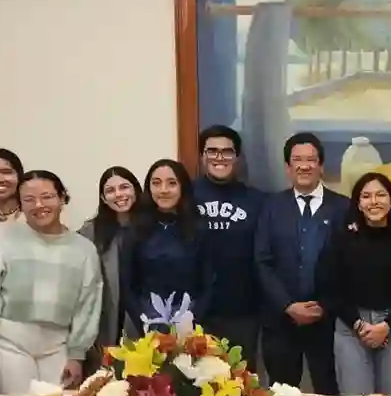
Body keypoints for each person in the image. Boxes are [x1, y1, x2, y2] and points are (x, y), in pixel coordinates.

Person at [0, 170, 101, 394]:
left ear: (62, 198)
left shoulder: (84, 249)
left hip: (59, 344)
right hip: (9, 343)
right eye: (29, 200)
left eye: (47, 197)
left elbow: (88, 304)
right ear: (20, 205)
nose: (39, 205)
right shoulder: (1, 242)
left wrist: (77, 354)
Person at [254, 132, 347, 395]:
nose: (304, 166)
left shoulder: (343, 208)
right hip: (281, 322)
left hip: (328, 323)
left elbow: (348, 266)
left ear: (321, 166)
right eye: (297, 160)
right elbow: (262, 261)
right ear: (287, 167)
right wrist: (287, 305)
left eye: (311, 160)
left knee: (331, 395)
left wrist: (325, 305)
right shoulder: (271, 207)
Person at [318, 172, 391, 396]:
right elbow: (329, 288)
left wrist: (386, 325)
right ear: (358, 203)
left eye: (380, 195)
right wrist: (358, 324)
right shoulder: (341, 238)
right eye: (366, 196)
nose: (374, 201)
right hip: (351, 328)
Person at [193, 125, 265, 364]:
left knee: (241, 388)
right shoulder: (185, 196)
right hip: (193, 312)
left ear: (237, 157)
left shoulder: (257, 201)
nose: (219, 157)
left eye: (226, 152)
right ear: (202, 156)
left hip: (242, 313)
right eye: (212, 151)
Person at [121, 159, 212, 335]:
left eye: (171, 183)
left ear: (182, 187)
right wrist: (145, 324)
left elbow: (208, 283)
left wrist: (191, 321)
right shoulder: (135, 228)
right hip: (145, 325)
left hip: (190, 324)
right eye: (156, 183)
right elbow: (127, 285)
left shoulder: (199, 228)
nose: (163, 190)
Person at [79, 166, 142, 367]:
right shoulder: (90, 233)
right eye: (110, 190)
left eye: (124, 187)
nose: (119, 194)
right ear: (103, 198)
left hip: (143, 319)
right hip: (105, 320)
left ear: (136, 191)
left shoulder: (152, 227)